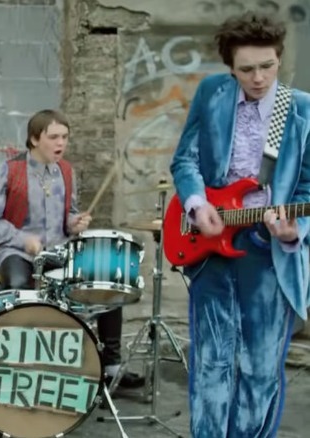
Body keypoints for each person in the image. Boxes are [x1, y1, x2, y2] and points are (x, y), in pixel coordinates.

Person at [170, 12, 310, 437]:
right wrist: (196, 205)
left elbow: (305, 185)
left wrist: (293, 231)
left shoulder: (302, 109)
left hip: (268, 251)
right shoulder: (212, 92)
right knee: (210, 362)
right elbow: (185, 158)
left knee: (260, 367)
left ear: (278, 60)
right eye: (247, 69)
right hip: (211, 243)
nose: (259, 77)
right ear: (230, 67)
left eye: (267, 66)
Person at [0, 109, 146, 390]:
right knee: (19, 285)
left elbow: (69, 215)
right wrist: (22, 238)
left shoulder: (65, 171)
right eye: (53, 137)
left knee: (105, 282)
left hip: (58, 251)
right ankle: (14, 364)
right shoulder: (10, 170)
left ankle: (111, 366)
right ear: (33, 139)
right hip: (16, 252)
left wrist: (74, 223)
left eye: (64, 137)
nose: (61, 143)